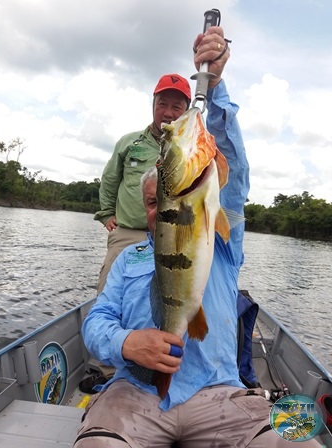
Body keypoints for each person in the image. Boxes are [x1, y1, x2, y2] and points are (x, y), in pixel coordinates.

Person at [74, 26, 320, 448]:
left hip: (221, 394)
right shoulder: (129, 260)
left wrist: (217, 86)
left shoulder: (221, 240)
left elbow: (234, 173)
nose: (157, 210)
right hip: (135, 394)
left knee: (293, 442)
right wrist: (127, 342)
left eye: (162, 199)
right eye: (150, 203)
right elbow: (96, 323)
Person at [94, 73, 191, 295]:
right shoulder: (129, 142)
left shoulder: (192, 149)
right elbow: (109, 180)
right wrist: (107, 213)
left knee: (168, 298)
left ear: (186, 111)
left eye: (177, 107)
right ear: (153, 104)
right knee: (108, 294)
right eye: (162, 104)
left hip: (175, 239)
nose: (168, 112)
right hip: (129, 234)